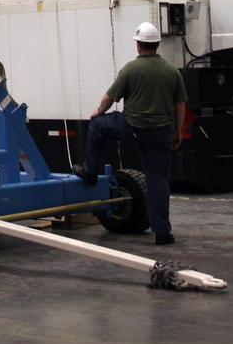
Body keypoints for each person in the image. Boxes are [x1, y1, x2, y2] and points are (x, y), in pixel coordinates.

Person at [73, 22, 186, 245]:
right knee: (158, 180)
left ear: (139, 45)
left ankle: (90, 172)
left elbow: (109, 98)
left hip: (132, 126)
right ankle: (162, 232)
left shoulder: (131, 69)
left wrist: (98, 112)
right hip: (161, 130)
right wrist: (177, 132)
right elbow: (180, 105)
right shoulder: (172, 71)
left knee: (98, 125)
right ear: (156, 44)